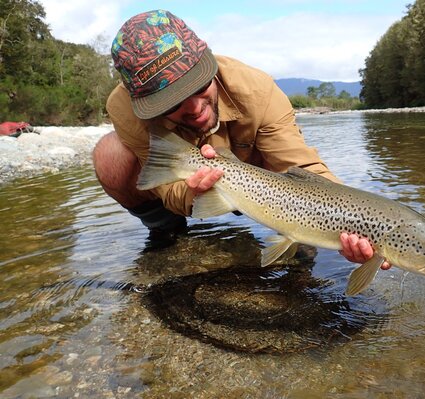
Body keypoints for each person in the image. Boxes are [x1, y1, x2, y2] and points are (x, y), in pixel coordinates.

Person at [92, 9, 390, 269]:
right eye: (172, 103)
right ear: (145, 101)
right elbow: (165, 186)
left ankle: (300, 241)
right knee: (109, 155)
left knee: (302, 252)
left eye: (199, 87)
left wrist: (353, 221)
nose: (194, 108)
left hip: (269, 184)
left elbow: (304, 168)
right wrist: (193, 193)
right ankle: (165, 231)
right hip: (194, 178)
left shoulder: (258, 90)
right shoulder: (126, 109)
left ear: (207, 63)